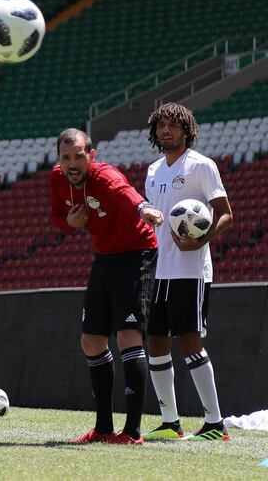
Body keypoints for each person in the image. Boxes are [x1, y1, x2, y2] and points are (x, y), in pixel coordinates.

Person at [50, 128, 159, 445]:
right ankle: (103, 429)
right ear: (59, 159)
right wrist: (68, 223)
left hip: (137, 253)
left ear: (91, 156)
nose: (72, 164)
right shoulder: (58, 179)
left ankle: (133, 433)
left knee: (128, 337)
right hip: (105, 257)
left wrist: (145, 209)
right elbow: (58, 216)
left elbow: (125, 193)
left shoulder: (105, 176)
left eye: (79, 156)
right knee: (92, 341)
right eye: (66, 157)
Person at [140, 103, 233, 441]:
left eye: (173, 126)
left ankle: (214, 422)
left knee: (189, 342)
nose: (167, 131)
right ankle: (170, 422)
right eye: (161, 125)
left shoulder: (200, 166)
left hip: (190, 271)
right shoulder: (152, 171)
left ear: (186, 129)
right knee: (156, 342)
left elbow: (225, 214)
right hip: (157, 269)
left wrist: (201, 240)